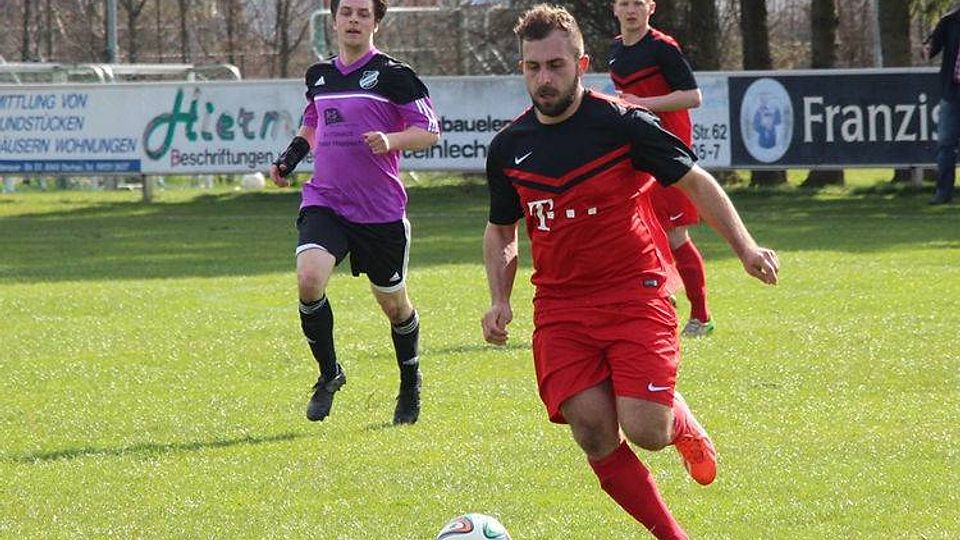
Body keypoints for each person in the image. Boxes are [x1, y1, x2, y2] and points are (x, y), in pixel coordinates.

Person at [482, 5, 779, 539]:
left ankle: (679, 422)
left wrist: (746, 248)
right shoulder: (508, 148)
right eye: (532, 68)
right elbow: (502, 231)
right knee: (593, 433)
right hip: (560, 308)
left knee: (646, 429)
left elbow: (696, 183)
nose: (544, 79)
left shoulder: (622, 123)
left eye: (555, 65)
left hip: (633, 292)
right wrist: (499, 298)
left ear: (581, 62)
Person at [270, 0, 440, 425]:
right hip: (326, 201)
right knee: (309, 280)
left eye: (363, 13)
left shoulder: (395, 76)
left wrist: (391, 139)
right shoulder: (320, 75)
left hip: (379, 212)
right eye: (347, 11)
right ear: (334, 18)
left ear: (376, 22)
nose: (353, 20)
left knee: (395, 307)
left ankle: (409, 382)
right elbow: (313, 123)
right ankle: (329, 375)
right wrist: (290, 157)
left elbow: (429, 132)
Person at [608, 0, 714, 336]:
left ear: (651, 8)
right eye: (625, 3)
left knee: (674, 233)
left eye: (638, 3)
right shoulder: (616, 49)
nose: (631, 10)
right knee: (641, 232)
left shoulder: (662, 47)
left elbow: (693, 96)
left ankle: (701, 317)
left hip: (667, 152)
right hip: (634, 153)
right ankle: (658, 305)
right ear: (615, 8)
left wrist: (643, 105)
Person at [925, 6, 960, 205]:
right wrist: (928, 46)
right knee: (946, 145)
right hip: (953, 93)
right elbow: (931, 49)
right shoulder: (949, 22)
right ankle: (943, 192)